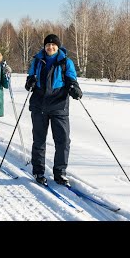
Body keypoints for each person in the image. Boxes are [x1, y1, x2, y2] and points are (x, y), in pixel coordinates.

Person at [24, 34, 82, 187]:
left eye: (53, 45)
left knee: (63, 141)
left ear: (58, 46)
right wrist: (30, 82)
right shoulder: (37, 61)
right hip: (39, 105)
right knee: (39, 140)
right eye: (47, 45)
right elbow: (29, 79)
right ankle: (38, 171)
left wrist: (74, 89)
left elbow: (72, 79)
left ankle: (60, 173)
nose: (50, 47)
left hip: (59, 106)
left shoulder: (66, 62)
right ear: (44, 47)